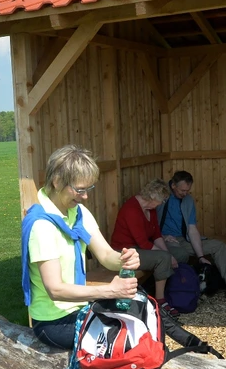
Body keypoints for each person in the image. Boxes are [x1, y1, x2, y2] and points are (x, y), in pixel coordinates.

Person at [21, 145, 140, 351]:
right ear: (57, 181)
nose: (85, 196)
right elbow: (55, 289)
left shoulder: (78, 212)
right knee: (124, 340)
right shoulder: (42, 225)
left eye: (88, 189)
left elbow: (106, 255)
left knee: (138, 318)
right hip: (54, 322)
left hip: (80, 308)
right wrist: (110, 291)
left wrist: (123, 259)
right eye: (79, 189)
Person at [158, 170, 226, 299]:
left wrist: (201, 256)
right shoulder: (160, 195)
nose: (185, 193)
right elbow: (148, 225)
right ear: (173, 185)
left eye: (187, 190)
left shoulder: (188, 200)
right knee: (181, 254)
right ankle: (180, 290)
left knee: (219, 246)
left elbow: (192, 229)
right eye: (182, 190)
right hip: (163, 240)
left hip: (184, 239)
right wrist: (163, 237)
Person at [110, 179, 181, 317]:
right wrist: (167, 256)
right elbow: (144, 243)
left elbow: (156, 235)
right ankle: (160, 301)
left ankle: (171, 292)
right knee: (163, 258)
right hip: (124, 252)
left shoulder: (150, 209)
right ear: (153, 198)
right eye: (162, 200)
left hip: (138, 249)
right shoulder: (131, 209)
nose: (162, 203)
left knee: (173, 254)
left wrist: (169, 254)